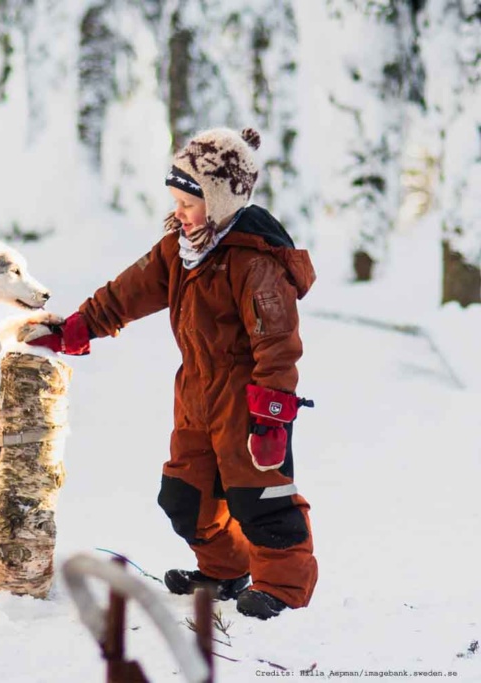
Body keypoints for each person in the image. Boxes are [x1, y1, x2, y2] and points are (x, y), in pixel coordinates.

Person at [25, 127, 317, 619]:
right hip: (197, 393)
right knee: (185, 494)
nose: (178, 212)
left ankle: (283, 586)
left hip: (248, 400)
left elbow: (278, 344)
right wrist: (76, 328)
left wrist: (271, 415)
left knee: (259, 497)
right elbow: (124, 294)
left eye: (188, 201)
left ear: (221, 202)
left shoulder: (254, 262)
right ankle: (225, 570)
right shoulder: (181, 251)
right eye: (175, 200)